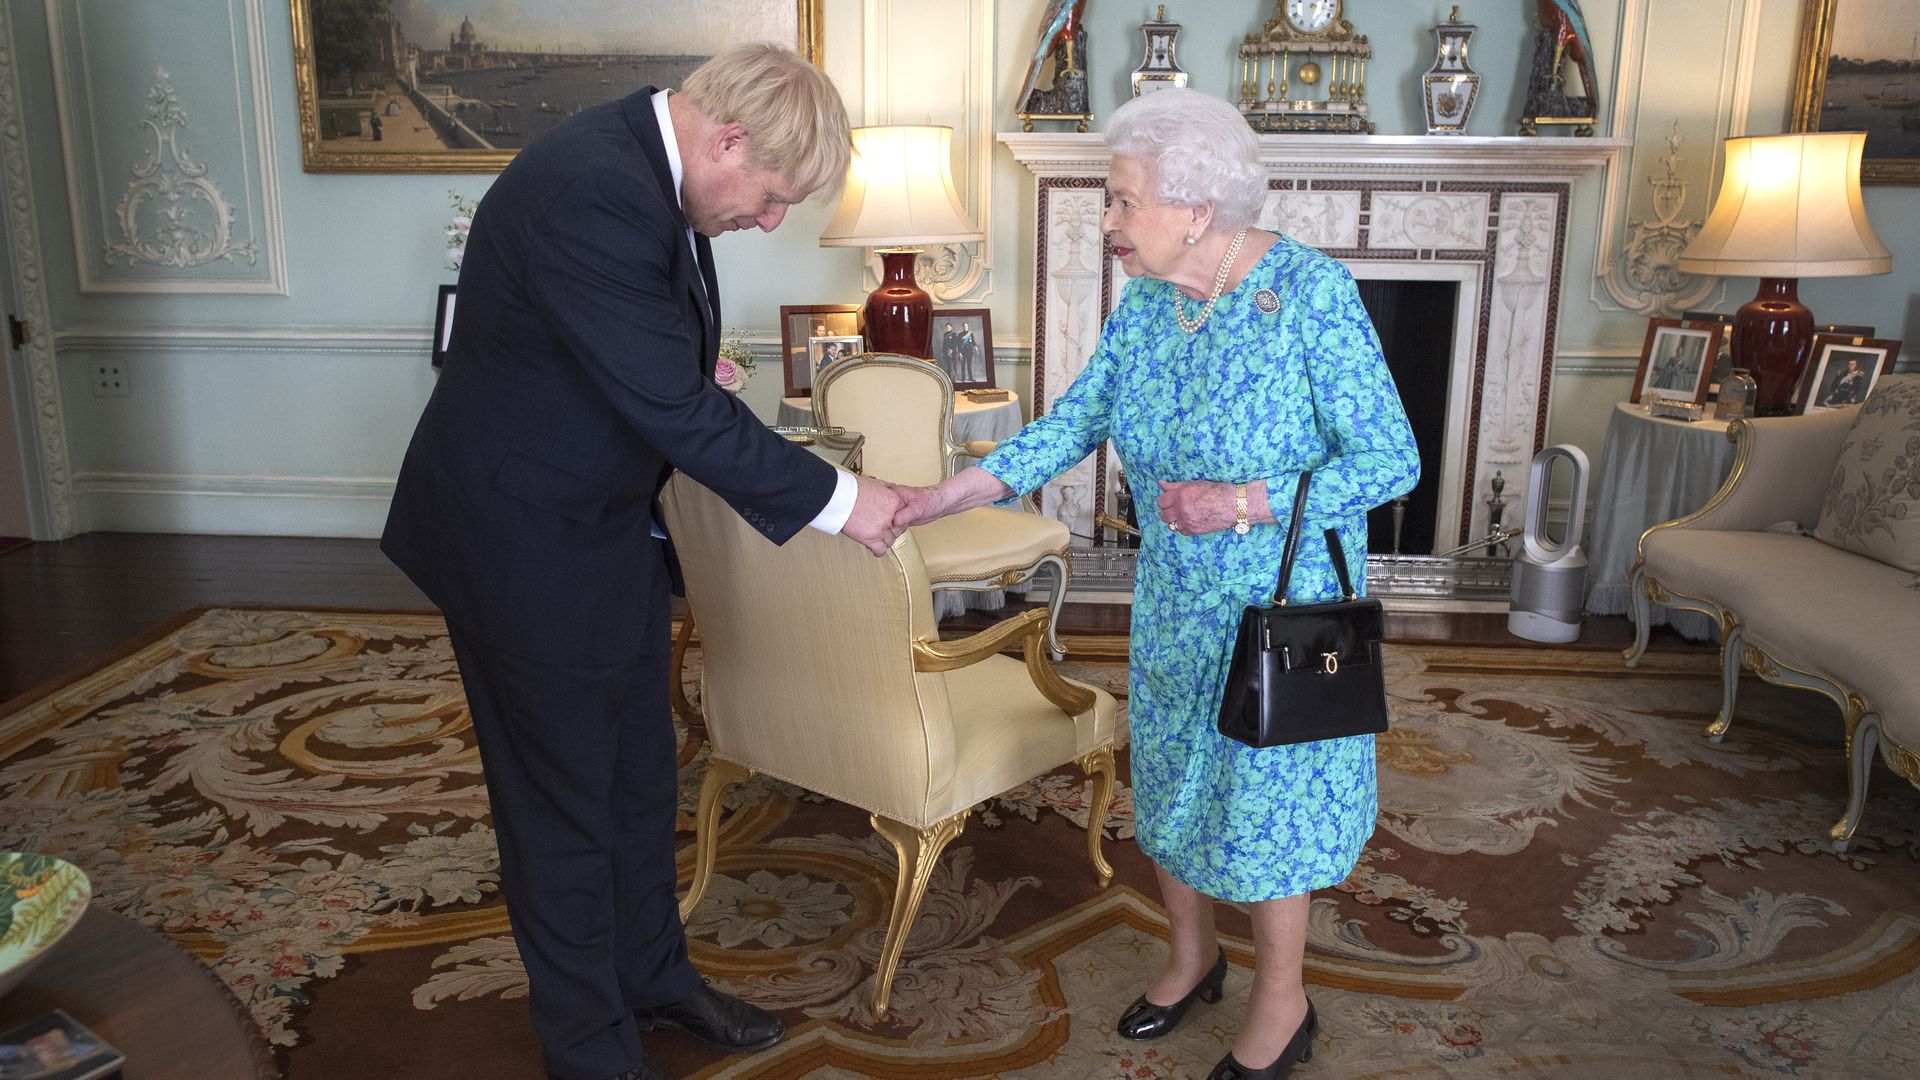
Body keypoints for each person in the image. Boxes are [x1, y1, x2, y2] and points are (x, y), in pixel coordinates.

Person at [382, 43, 903, 1080]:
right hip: (518, 540)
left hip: (598, 525)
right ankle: (591, 1052)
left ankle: (655, 982)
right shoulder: (591, 189)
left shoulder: (644, 168)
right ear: (726, 140)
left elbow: (654, 368)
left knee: (636, 777)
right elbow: (672, 403)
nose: (766, 222)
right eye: (770, 198)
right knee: (562, 808)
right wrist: (848, 501)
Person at [892, 88, 1418, 1080]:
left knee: (1265, 802)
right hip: (1176, 598)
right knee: (1174, 777)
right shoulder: (1151, 301)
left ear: (1195, 207)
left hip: (1281, 603)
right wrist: (948, 491)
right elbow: (1078, 417)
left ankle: (1282, 999)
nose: (1108, 221)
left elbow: (1391, 460)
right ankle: (1191, 957)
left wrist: (1242, 502)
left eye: (1124, 200)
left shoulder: (1309, 293)